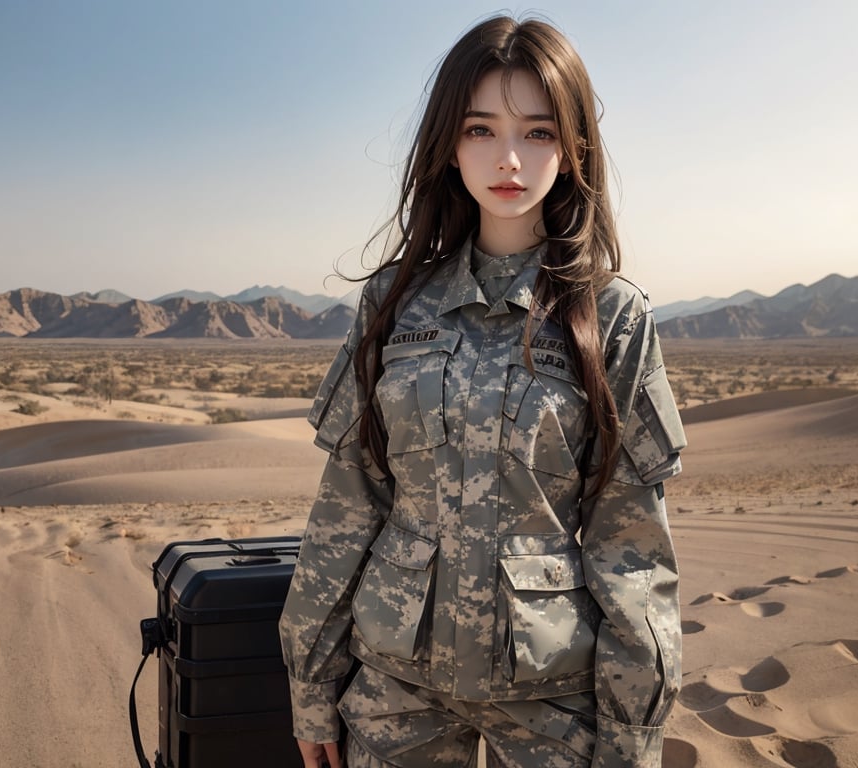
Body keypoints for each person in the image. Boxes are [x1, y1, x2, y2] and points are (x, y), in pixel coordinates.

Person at [279, 14, 687, 768]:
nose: (508, 158)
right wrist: (311, 682)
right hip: (395, 696)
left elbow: (630, 546)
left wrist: (633, 735)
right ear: (449, 145)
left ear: (571, 151)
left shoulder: (614, 317)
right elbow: (348, 506)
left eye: (537, 132)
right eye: (480, 129)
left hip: (553, 702)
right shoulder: (393, 306)